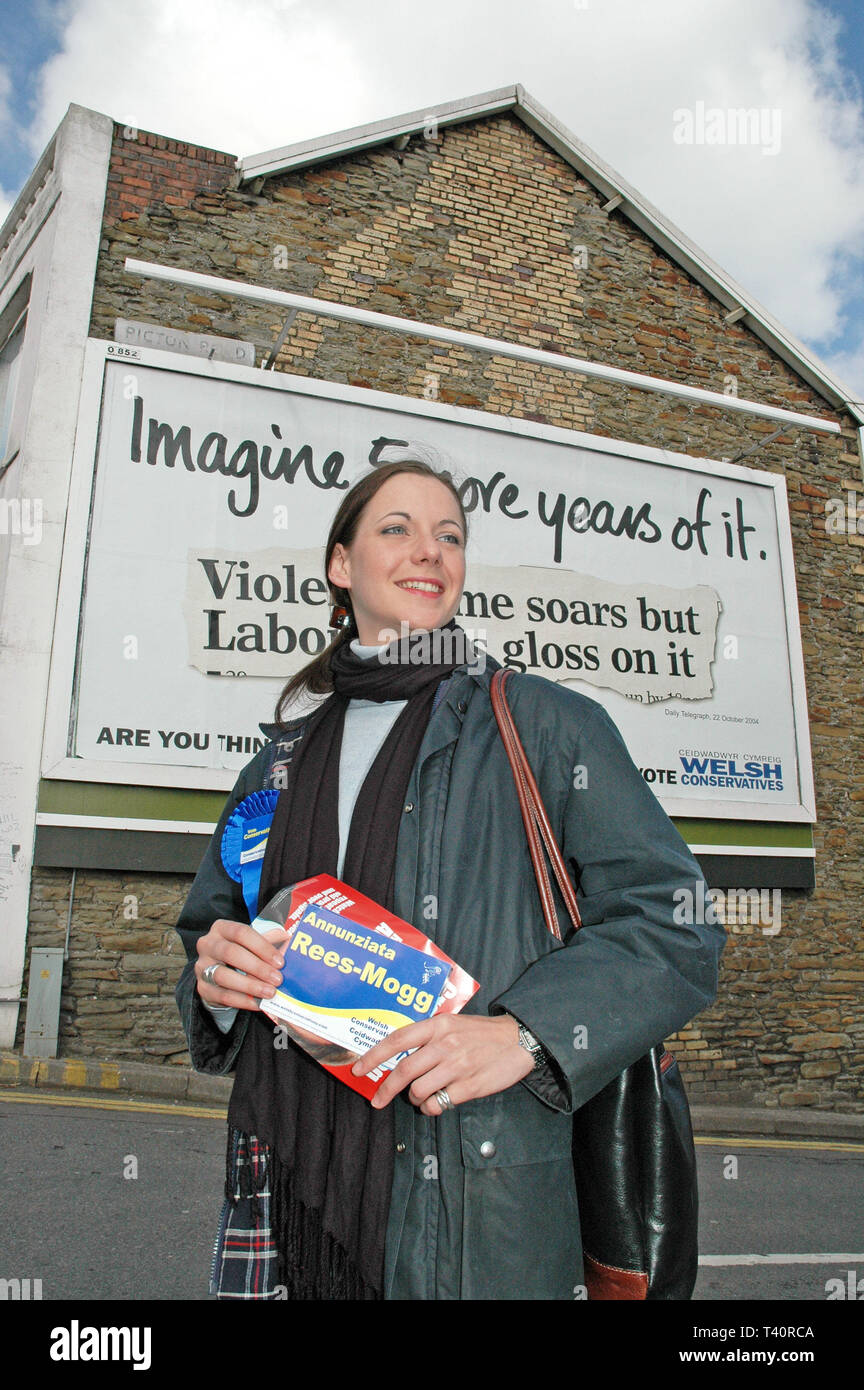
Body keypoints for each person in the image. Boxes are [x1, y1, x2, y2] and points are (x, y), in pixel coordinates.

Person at [174, 457, 725, 1301]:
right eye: (396, 529)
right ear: (340, 565)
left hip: (473, 1194)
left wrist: (526, 1034)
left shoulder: (545, 724)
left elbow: (674, 920)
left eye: (450, 536)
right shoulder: (277, 762)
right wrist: (217, 978)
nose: (428, 551)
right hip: (282, 1183)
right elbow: (208, 935)